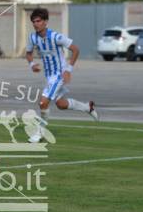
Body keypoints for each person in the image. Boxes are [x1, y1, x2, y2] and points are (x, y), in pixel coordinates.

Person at [25, 8, 99, 143]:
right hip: (49, 76)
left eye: (39, 21)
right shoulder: (33, 37)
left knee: (43, 102)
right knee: (61, 104)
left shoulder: (56, 37)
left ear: (45, 22)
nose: (36, 24)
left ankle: (40, 133)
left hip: (59, 75)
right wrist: (32, 65)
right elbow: (28, 53)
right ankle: (87, 107)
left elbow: (75, 49)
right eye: (34, 21)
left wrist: (68, 70)